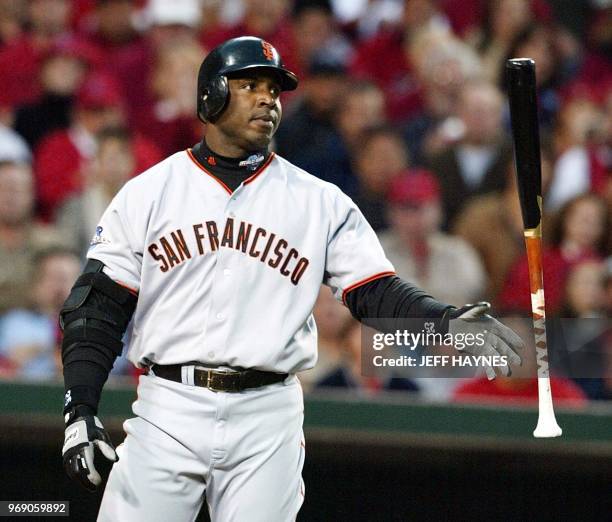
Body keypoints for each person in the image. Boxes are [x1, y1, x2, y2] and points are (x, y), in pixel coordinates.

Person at [60, 37, 524, 521]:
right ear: (210, 96)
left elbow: (374, 291)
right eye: (249, 85)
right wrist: (81, 410)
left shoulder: (318, 201)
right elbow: (97, 307)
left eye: (273, 90)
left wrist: (442, 321)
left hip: (267, 413)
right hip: (169, 405)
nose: (266, 98)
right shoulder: (150, 192)